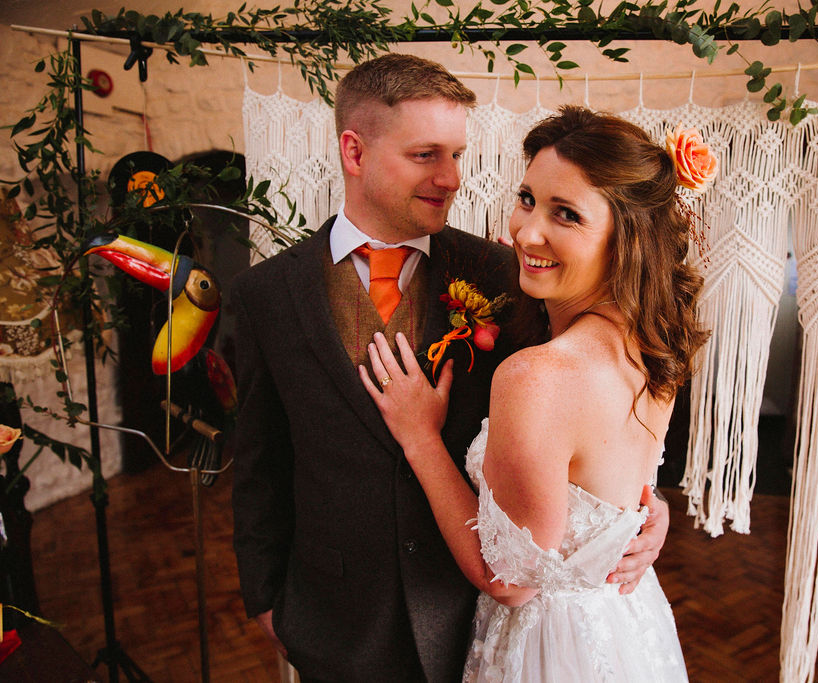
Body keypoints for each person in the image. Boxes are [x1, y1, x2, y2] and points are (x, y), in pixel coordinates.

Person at [230, 54, 670, 682]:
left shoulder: (509, 276)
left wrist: (645, 516)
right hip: (335, 619)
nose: (451, 177)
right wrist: (267, 603)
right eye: (425, 155)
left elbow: (594, 427)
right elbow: (259, 463)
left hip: (471, 616)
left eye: (457, 154)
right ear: (354, 153)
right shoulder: (266, 295)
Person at [360, 106, 707, 681]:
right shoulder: (653, 345)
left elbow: (510, 582)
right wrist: (651, 516)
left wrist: (421, 438)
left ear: (629, 239)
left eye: (565, 214)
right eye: (527, 199)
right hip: (625, 628)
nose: (525, 232)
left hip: (550, 650)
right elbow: (618, 491)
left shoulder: (538, 376)